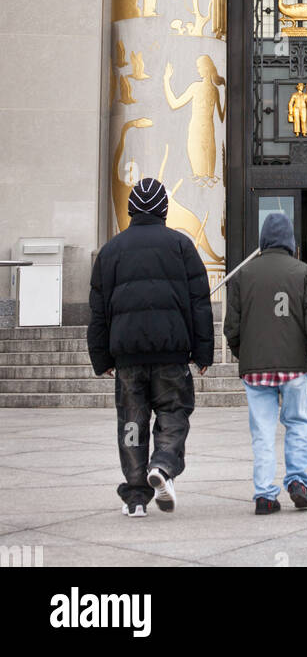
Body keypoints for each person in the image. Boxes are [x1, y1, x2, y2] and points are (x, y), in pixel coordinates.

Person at [87, 176, 214, 517]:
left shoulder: (110, 251)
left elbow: (98, 310)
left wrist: (101, 357)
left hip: (127, 355)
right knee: (173, 412)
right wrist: (203, 353)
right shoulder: (181, 246)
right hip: (172, 353)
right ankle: (162, 464)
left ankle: (135, 496)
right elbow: (199, 302)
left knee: (131, 420)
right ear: (164, 209)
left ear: (131, 209)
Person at [224, 212, 307, 514]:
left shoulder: (243, 275)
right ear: (290, 241)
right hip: (294, 366)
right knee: (297, 423)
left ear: (262, 241)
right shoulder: (304, 273)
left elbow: (230, 328)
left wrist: (243, 353)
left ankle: (264, 495)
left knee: (262, 430)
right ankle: (297, 481)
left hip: (255, 368)